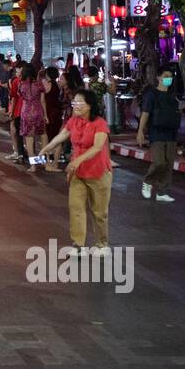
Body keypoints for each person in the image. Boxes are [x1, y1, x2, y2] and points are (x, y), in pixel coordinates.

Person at [40, 89, 113, 253]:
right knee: (76, 208)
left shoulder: (100, 123)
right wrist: (47, 147)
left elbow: (97, 147)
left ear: (90, 105)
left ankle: (102, 244)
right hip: (77, 173)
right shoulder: (73, 121)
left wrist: (77, 160)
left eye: (80, 102)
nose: (76, 105)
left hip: (99, 172)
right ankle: (78, 245)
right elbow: (63, 135)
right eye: (74, 102)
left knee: (99, 212)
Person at [137, 66, 181, 202]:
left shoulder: (173, 97)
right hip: (156, 133)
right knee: (159, 162)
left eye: (170, 77)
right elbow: (145, 113)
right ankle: (148, 182)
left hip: (171, 133)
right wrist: (140, 131)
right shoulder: (152, 95)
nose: (168, 79)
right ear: (159, 78)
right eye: (165, 76)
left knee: (168, 164)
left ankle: (162, 192)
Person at [16, 65, 47, 169]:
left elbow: (20, 96)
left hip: (26, 112)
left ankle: (33, 165)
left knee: (29, 140)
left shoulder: (21, 84)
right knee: (42, 136)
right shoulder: (39, 84)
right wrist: (45, 115)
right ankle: (42, 160)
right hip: (38, 111)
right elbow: (42, 101)